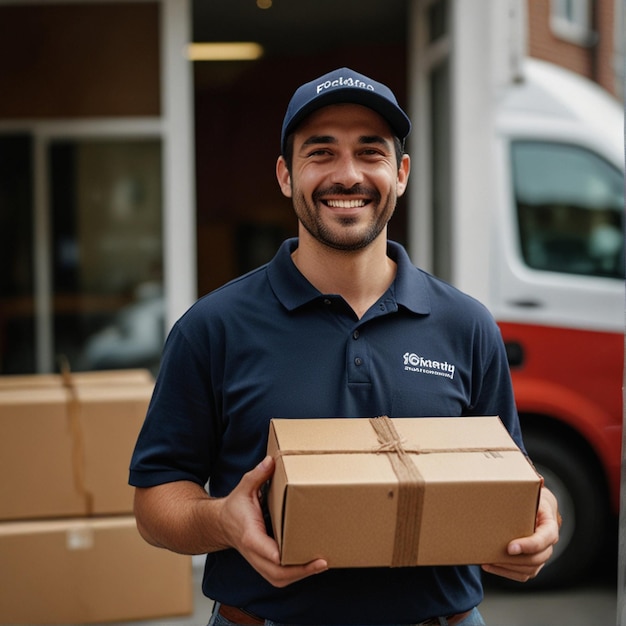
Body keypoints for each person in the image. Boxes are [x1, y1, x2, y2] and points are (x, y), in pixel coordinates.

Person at [129, 67, 560, 626]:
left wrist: (539, 511)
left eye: (370, 152)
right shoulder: (213, 328)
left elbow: (511, 470)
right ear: (286, 175)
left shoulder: (466, 325)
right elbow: (155, 499)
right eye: (321, 153)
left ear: (401, 173)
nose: (348, 174)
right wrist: (223, 521)